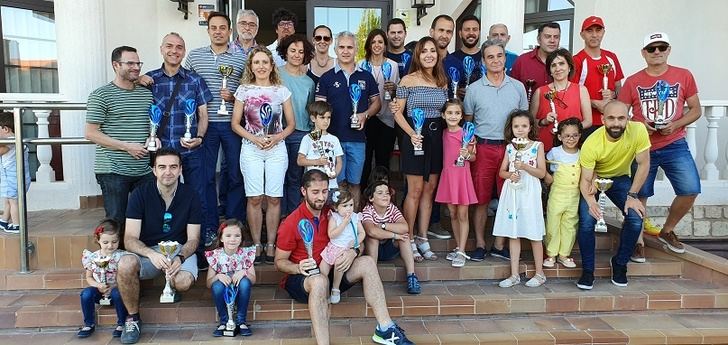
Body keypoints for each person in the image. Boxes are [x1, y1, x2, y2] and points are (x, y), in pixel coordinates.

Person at [274, 169, 414, 345]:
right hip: (302, 279)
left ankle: (385, 329)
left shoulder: (335, 211)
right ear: (304, 191)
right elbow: (279, 262)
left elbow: (358, 241)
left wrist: (353, 252)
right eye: (315, 192)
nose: (321, 197)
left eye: (324, 192)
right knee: (319, 281)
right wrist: (297, 267)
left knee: (367, 262)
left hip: (334, 270)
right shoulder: (292, 222)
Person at [618, 32, 701, 256]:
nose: (657, 52)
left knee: (690, 189)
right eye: (652, 48)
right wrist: (639, 126)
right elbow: (620, 113)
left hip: (675, 143)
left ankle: (668, 230)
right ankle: (638, 242)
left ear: (668, 50)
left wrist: (676, 125)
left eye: (661, 47)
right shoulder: (633, 81)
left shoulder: (683, 75)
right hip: (644, 146)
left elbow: (696, 109)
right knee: (640, 193)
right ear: (643, 53)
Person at [116, 148, 202, 344]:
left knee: (184, 282)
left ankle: (170, 286)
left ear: (180, 169)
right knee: (125, 264)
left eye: (173, 166)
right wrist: (150, 254)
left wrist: (180, 258)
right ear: (154, 170)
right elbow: (129, 238)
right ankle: (132, 318)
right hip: (148, 252)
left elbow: (193, 239)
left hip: (179, 249)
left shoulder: (191, 195)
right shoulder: (140, 194)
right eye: (162, 167)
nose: (168, 172)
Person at [141, 33, 213, 254]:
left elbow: (203, 115)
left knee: (198, 198)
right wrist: (137, 79)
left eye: (179, 47)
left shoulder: (195, 79)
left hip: (190, 151)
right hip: (161, 155)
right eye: (169, 46)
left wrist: (199, 138)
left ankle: (199, 250)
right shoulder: (149, 80)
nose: (174, 51)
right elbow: (141, 111)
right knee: (158, 198)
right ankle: (160, 245)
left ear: (184, 51)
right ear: (161, 49)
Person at [463, 39, 528, 262]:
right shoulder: (473, 90)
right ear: (483, 61)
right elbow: (468, 123)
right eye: (490, 56)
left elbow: (524, 121)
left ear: (505, 58)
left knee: (509, 198)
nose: (495, 60)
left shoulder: (518, 87)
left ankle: (500, 244)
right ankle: (481, 244)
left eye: (499, 55)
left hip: (512, 149)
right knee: (481, 200)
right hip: (484, 148)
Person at [185, 11, 246, 246]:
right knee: (207, 178)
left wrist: (233, 98)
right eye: (214, 27)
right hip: (205, 125)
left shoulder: (240, 58)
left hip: (233, 125)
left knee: (235, 175)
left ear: (230, 31)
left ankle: (234, 224)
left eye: (223, 27)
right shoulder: (194, 56)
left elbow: (248, 90)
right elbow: (184, 82)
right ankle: (210, 226)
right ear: (208, 30)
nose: (218, 31)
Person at [231, 46, 296, 264]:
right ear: (251, 66)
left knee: (274, 198)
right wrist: (255, 138)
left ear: (271, 66)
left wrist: (277, 138)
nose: (261, 66)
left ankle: (271, 243)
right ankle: (257, 243)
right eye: (256, 62)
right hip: (251, 148)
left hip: (276, 149)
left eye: (264, 62)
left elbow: (291, 124)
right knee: (255, 197)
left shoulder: (281, 90)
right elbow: (235, 124)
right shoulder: (243, 90)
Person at [576, 101, 650, 290]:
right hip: (594, 179)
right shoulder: (592, 143)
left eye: (621, 118)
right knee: (586, 221)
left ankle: (620, 263)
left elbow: (643, 164)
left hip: (620, 179)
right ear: (602, 119)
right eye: (611, 118)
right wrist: (592, 202)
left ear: (628, 118)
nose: (616, 123)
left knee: (635, 219)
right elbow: (585, 179)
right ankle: (588, 271)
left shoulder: (638, 130)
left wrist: (633, 195)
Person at [391, 36, 448, 262]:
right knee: (414, 190)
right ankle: (409, 237)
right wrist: (413, 134)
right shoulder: (407, 80)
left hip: (436, 136)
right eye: (424, 51)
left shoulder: (442, 81)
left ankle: (423, 238)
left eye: (432, 51)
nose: (429, 55)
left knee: (429, 190)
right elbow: (397, 112)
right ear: (418, 55)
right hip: (414, 135)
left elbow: (446, 111)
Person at [316, 31, 381, 210]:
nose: (345, 51)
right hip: (333, 141)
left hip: (357, 140)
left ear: (356, 49)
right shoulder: (327, 78)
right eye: (342, 47)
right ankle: (336, 224)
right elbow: (319, 108)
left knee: (355, 184)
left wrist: (365, 114)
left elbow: (377, 103)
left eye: (349, 47)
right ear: (335, 49)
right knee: (336, 184)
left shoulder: (366, 77)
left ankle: (353, 222)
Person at [493, 110, 547, 288]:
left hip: (530, 192)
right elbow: (501, 172)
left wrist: (524, 166)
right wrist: (510, 175)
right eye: (516, 126)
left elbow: (541, 172)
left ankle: (539, 273)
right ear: (511, 128)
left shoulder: (537, 146)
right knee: (513, 232)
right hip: (513, 192)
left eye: (524, 126)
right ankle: (514, 273)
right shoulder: (510, 147)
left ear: (530, 127)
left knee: (534, 232)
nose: (520, 129)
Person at [434, 99, 477, 267]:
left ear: (461, 116)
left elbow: (474, 157)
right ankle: (459, 246)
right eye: (450, 113)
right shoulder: (443, 133)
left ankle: (462, 251)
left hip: (462, 177)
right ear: (443, 115)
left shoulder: (467, 133)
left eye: (457, 113)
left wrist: (467, 154)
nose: (453, 116)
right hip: (448, 176)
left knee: (463, 214)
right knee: (452, 213)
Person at [278, 34, 316, 217]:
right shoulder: (275, 73)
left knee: (294, 178)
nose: (296, 55)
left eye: (301, 52)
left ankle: (290, 217)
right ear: (285, 51)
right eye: (293, 50)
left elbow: (310, 110)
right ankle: (276, 218)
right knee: (277, 179)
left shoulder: (309, 81)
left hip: (300, 134)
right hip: (277, 134)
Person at [361, 180, 421, 295]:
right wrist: (394, 234)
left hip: (389, 249)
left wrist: (383, 226)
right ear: (371, 198)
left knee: (404, 237)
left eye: (387, 193)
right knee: (372, 238)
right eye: (380, 193)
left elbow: (404, 227)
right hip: (373, 250)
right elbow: (371, 231)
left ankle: (411, 276)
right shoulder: (368, 210)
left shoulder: (392, 208)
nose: (385, 195)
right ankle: (372, 277)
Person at [359, 29, 400, 189]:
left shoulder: (393, 65)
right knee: (365, 160)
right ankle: (363, 197)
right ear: (369, 44)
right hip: (367, 118)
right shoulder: (361, 65)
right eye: (373, 41)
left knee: (383, 160)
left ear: (385, 45)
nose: (377, 45)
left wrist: (394, 88)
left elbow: (397, 93)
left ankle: (382, 196)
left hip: (386, 119)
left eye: (380, 42)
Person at [531, 48, 592, 152]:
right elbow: (530, 122)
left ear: (569, 67)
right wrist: (544, 121)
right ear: (549, 71)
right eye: (553, 65)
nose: (558, 68)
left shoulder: (581, 90)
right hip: (544, 149)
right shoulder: (540, 92)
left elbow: (588, 121)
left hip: (571, 149)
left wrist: (569, 130)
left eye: (561, 63)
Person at [571, 16, 624, 135]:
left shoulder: (611, 57)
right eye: (589, 31)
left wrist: (613, 94)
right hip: (587, 122)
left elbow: (618, 86)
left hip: (611, 121)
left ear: (603, 32)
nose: (594, 35)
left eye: (598, 30)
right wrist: (595, 103)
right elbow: (572, 93)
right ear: (582, 34)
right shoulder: (577, 60)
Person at [77, 219, 128, 338]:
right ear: (98, 240)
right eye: (105, 242)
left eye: (114, 242)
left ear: (119, 240)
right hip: (99, 290)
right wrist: (98, 285)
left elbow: (126, 277)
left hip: (116, 290)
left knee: (117, 293)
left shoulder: (122, 256)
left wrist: (115, 286)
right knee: (86, 294)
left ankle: (122, 323)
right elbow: (89, 277)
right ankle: (89, 323)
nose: (110, 246)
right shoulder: (92, 257)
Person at [205, 219, 256, 337]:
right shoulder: (215, 255)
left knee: (245, 283)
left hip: (239, 291)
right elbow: (208, 283)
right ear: (221, 238)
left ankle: (241, 321)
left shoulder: (246, 254)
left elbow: (253, 280)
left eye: (237, 236)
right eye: (228, 235)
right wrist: (218, 276)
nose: (232, 239)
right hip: (224, 291)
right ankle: (224, 321)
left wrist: (244, 272)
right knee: (217, 286)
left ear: (241, 238)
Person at [543, 118, 582, 268]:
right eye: (567, 136)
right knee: (553, 223)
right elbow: (544, 165)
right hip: (557, 193)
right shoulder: (554, 152)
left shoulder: (581, 153)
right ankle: (551, 254)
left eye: (574, 135)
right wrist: (548, 178)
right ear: (560, 137)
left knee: (570, 224)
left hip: (574, 195)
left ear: (579, 136)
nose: (571, 139)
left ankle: (564, 254)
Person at [320, 188, 365, 304]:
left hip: (345, 249)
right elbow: (332, 234)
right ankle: (324, 291)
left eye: (351, 205)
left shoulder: (355, 217)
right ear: (336, 208)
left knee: (339, 265)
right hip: (333, 248)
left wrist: (356, 242)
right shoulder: (334, 217)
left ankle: (335, 288)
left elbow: (362, 233)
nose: (349, 208)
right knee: (323, 268)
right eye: (345, 206)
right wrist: (343, 224)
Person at [298, 101, 344, 190]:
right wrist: (318, 161)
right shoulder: (307, 138)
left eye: (328, 118)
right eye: (322, 117)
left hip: (331, 185)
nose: (326, 121)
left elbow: (339, 161)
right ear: (313, 118)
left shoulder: (334, 139)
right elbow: (300, 161)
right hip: (313, 185)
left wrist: (335, 174)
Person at [0, 112, 31, 234]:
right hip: (18, 177)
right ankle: (4, 220)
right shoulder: (16, 139)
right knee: (8, 200)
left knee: (13, 201)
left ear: (6, 129)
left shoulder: (10, 141)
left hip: (13, 178)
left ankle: (17, 224)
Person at [511, 22, 561, 91]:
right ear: (538, 39)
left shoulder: (565, 63)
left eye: (556, 37)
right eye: (547, 36)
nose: (552, 40)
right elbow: (513, 91)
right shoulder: (522, 61)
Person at [443, 15, 482, 99]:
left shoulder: (487, 57)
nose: (471, 33)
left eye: (474, 29)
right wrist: (457, 92)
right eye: (467, 29)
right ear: (460, 33)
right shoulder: (451, 59)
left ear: (479, 32)